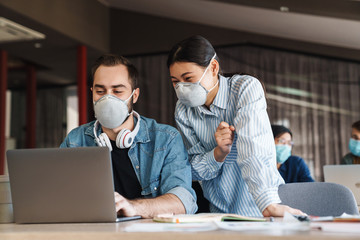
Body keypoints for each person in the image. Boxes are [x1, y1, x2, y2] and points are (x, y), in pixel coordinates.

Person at [167, 35, 303, 217]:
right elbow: (192, 168)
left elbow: (253, 148)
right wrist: (218, 153)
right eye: (176, 82)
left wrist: (267, 203)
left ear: (213, 68)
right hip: (218, 212)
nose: (182, 87)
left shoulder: (244, 88)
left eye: (188, 78)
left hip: (260, 209)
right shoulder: (183, 110)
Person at [60, 54, 197, 218]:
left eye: (117, 91)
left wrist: (134, 207)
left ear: (135, 95)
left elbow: (182, 202)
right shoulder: (76, 140)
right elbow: (59, 193)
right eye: (100, 91)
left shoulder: (166, 139)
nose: (107, 98)